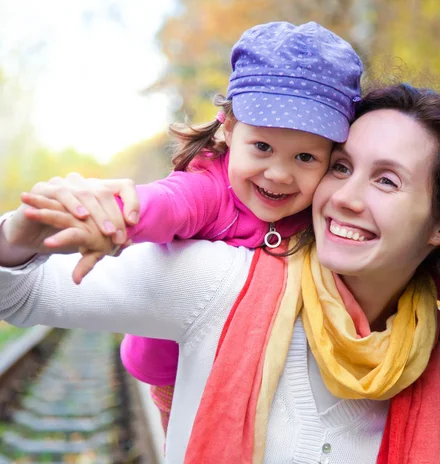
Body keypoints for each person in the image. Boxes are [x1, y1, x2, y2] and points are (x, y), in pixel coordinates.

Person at [1, 82, 440, 464]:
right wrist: (25, 230)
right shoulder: (221, 284)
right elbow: (22, 292)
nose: (346, 197)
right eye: (340, 168)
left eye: (386, 180)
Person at [43, 21, 363, 432]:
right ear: (228, 129)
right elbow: (167, 204)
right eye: (262, 147)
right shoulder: (209, 190)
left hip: (258, 370)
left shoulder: (322, 211)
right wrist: (114, 218)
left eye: (305, 158)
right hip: (175, 371)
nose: (279, 174)